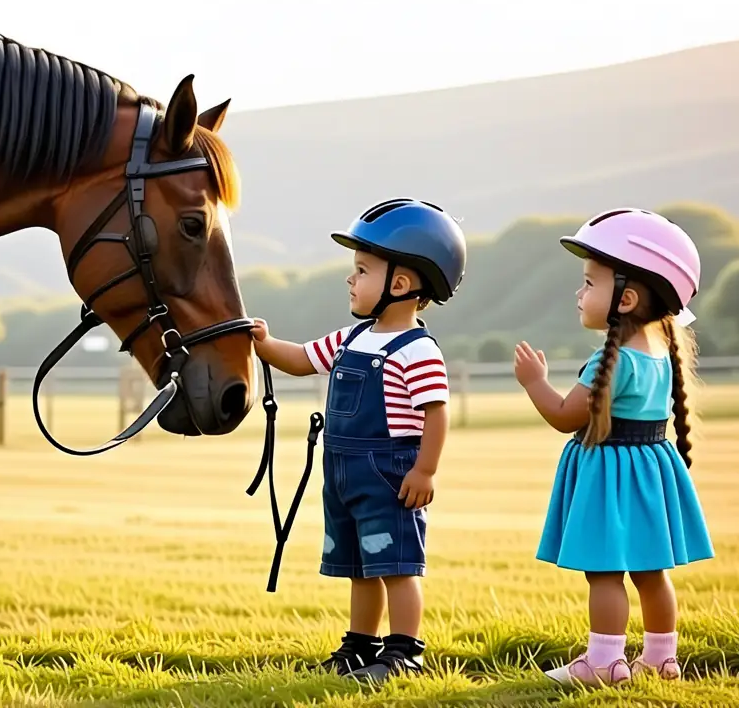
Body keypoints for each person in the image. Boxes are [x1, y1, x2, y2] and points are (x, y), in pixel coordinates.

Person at [251, 197, 467, 683]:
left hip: (392, 475)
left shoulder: (418, 351)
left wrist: (425, 470)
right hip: (344, 475)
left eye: (362, 270)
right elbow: (302, 358)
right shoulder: (351, 337)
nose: (351, 279)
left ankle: (404, 651)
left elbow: (436, 413)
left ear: (402, 283)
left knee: (396, 565)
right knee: (359, 565)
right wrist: (263, 343)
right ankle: (361, 645)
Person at [512, 208, 714, 686]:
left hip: (609, 475)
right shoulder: (661, 351)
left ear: (625, 297)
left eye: (589, 282)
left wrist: (533, 382)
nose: (579, 293)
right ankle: (663, 658)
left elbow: (565, 416)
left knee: (604, 572)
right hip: (650, 469)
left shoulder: (612, 358)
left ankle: (603, 661)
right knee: (650, 571)